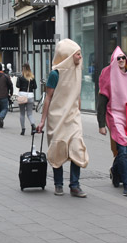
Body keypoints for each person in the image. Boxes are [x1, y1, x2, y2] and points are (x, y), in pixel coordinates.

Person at [36, 39, 88, 198]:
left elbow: (76, 93)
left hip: (73, 117)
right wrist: (43, 120)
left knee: (77, 148)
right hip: (56, 117)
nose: (80, 57)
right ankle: (58, 184)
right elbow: (48, 98)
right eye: (77, 54)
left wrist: (78, 109)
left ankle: (75, 185)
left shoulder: (78, 70)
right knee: (57, 150)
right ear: (67, 56)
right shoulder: (55, 73)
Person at [97, 47, 127, 197]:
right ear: (113, 60)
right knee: (123, 152)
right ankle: (126, 184)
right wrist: (101, 124)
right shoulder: (107, 74)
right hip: (116, 115)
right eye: (117, 58)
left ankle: (115, 170)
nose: (120, 60)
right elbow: (102, 101)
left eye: (123, 58)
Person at [16, 63, 37, 135]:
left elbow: (17, 85)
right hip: (30, 96)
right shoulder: (32, 77)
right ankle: (33, 125)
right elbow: (35, 87)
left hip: (22, 95)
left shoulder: (20, 77)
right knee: (30, 113)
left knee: (22, 113)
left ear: (23, 69)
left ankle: (23, 129)